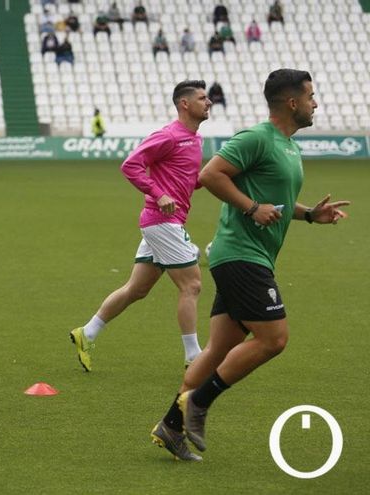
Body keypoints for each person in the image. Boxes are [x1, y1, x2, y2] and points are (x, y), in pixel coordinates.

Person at [150, 69, 349, 462]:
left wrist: (309, 215)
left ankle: (171, 426)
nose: (316, 102)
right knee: (274, 339)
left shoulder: (288, 146)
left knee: (217, 350)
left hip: (248, 257)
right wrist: (251, 208)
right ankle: (199, 404)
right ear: (292, 102)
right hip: (241, 255)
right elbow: (210, 175)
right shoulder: (258, 137)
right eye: (311, 95)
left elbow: (274, 202)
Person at [71, 81, 211, 381]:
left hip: (166, 223)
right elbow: (130, 165)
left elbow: (186, 178)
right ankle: (193, 357)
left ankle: (87, 332)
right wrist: (158, 193)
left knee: (137, 289)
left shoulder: (196, 140)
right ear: (184, 104)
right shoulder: (168, 135)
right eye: (202, 98)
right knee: (192, 285)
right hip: (161, 221)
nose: (208, 101)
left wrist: (207, 179)